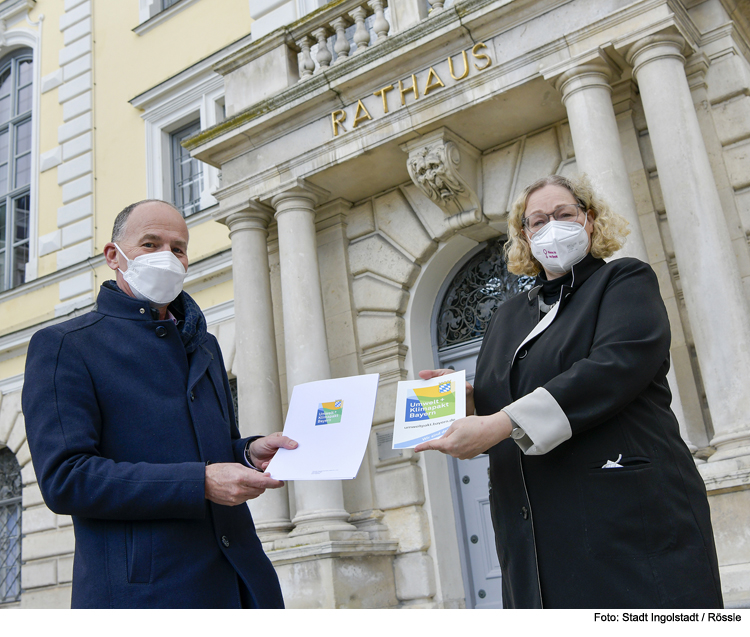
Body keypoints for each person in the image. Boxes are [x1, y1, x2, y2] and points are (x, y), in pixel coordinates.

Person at [415, 175, 723, 608]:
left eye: (564, 215)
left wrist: (501, 422)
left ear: (590, 220)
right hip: (529, 522)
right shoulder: (506, 316)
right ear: (524, 235)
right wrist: (468, 400)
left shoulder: (624, 280)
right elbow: (508, 397)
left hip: (623, 513)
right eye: (537, 220)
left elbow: (612, 367)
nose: (551, 227)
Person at [22, 200, 296, 609]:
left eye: (178, 248)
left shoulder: (205, 345)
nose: (167, 257)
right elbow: (66, 479)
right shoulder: (66, 345)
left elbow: (210, 448)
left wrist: (247, 452)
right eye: (150, 244)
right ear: (114, 256)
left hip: (242, 584)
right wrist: (199, 482)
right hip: (146, 595)